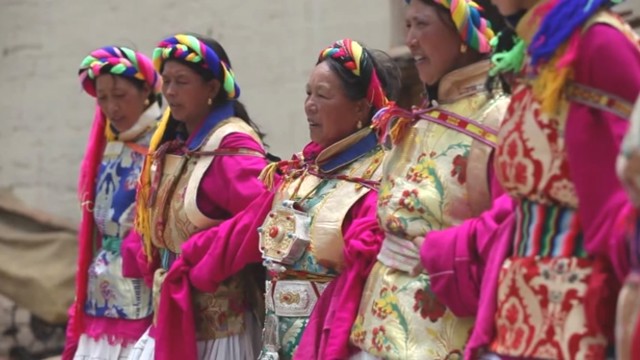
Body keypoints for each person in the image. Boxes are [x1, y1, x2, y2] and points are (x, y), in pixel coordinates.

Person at [150, 38, 400, 360]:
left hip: (337, 345)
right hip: (276, 345)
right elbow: (238, 236)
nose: (310, 105)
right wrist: (186, 264)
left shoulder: (379, 181)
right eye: (308, 93)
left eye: (322, 95)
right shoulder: (298, 176)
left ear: (360, 106)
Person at [417, 0, 640, 357]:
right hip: (522, 318)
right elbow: (525, 202)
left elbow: (622, 206)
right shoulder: (543, 52)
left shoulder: (599, 43)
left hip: (584, 325)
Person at [347, 0, 510, 358]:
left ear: (463, 36)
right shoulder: (422, 117)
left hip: (447, 337)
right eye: (407, 27)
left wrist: (436, 253)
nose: (411, 39)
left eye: (421, 25)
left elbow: (507, 232)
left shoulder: (500, 119)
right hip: (378, 330)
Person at [124, 34, 271, 360]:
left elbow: (264, 219)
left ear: (212, 89)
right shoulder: (178, 145)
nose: (171, 92)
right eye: (167, 81)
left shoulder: (229, 147)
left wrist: (205, 257)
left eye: (182, 82)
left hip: (219, 330)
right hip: (173, 316)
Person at [63, 46, 162, 360]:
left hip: (142, 283)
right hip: (101, 281)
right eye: (102, 98)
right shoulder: (109, 143)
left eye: (120, 95)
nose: (111, 107)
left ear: (145, 90)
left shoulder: (162, 143)